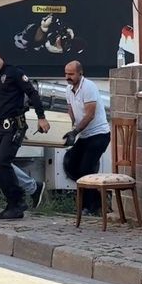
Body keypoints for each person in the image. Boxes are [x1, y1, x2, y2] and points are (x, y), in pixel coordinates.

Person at [0, 42, 50, 220]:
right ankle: (13, 203)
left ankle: (18, 202)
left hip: (14, 126)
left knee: (1, 163)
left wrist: (41, 117)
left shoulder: (14, 73)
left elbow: (33, 94)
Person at [62, 60, 111, 215]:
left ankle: (91, 207)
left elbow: (89, 114)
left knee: (86, 169)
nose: (68, 77)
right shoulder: (68, 90)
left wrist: (75, 132)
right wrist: (67, 128)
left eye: (71, 74)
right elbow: (71, 112)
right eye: (66, 74)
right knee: (71, 165)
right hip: (84, 135)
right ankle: (94, 203)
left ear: (80, 73)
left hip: (99, 134)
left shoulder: (88, 87)